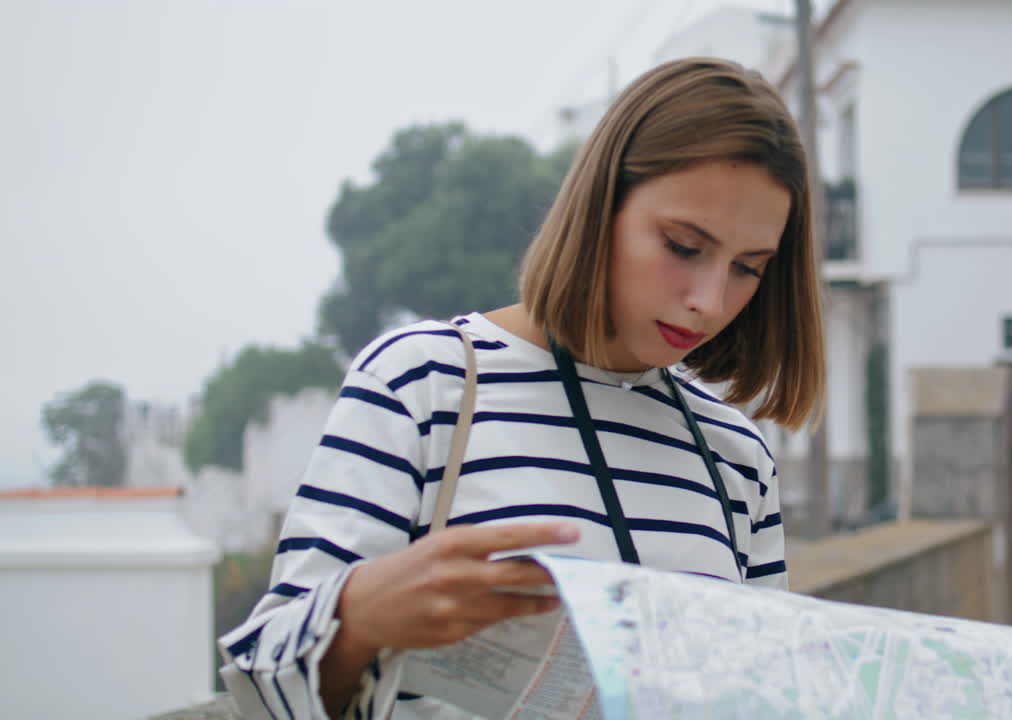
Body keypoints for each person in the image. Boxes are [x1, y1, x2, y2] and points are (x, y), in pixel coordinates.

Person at [218, 57, 825, 719]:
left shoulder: (735, 455)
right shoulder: (422, 384)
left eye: (748, 268)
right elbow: (263, 684)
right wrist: (361, 615)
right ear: (602, 206)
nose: (708, 301)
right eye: (683, 245)